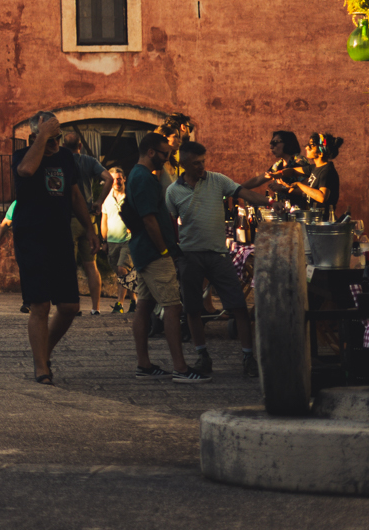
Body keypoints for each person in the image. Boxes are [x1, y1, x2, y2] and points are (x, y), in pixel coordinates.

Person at [167, 140, 273, 379]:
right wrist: (174, 254)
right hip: (189, 256)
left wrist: (270, 202)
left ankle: (248, 357)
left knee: (237, 305)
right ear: (184, 164)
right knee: (192, 309)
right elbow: (170, 224)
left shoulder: (217, 180)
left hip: (218, 254)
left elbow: (244, 193)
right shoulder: (173, 191)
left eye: (203, 161)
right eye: (196, 163)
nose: (201, 167)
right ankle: (202, 355)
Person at [13, 111, 98, 384]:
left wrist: (90, 228)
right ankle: (42, 368)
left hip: (60, 236)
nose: (55, 144)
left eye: (58, 138)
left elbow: (74, 194)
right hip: (31, 237)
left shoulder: (66, 158)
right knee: (40, 304)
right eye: (50, 139)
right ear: (34, 137)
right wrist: (43, 137)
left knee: (70, 306)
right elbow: (27, 171)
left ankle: (43, 352)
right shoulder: (22, 156)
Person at [125, 130, 203, 382]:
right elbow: (149, 219)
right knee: (172, 306)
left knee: (145, 305)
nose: (168, 158)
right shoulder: (144, 178)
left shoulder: (137, 175)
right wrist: (164, 250)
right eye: (165, 154)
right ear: (151, 152)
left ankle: (144, 365)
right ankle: (180, 368)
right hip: (153, 252)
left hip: (143, 251)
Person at [59, 132, 110, 315]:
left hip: (71, 219)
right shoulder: (89, 161)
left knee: (69, 266)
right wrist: (99, 201)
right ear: (80, 146)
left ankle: (74, 306)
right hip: (89, 220)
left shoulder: (62, 161)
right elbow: (109, 178)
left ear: (64, 146)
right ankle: (95, 308)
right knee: (91, 266)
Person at [102, 166, 130, 312]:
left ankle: (120, 304)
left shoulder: (129, 196)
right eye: (113, 179)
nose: (116, 182)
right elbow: (104, 220)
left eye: (119, 179)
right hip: (112, 241)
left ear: (124, 179)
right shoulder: (106, 197)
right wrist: (104, 241)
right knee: (122, 274)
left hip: (128, 240)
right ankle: (135, 301)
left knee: (122, 269)